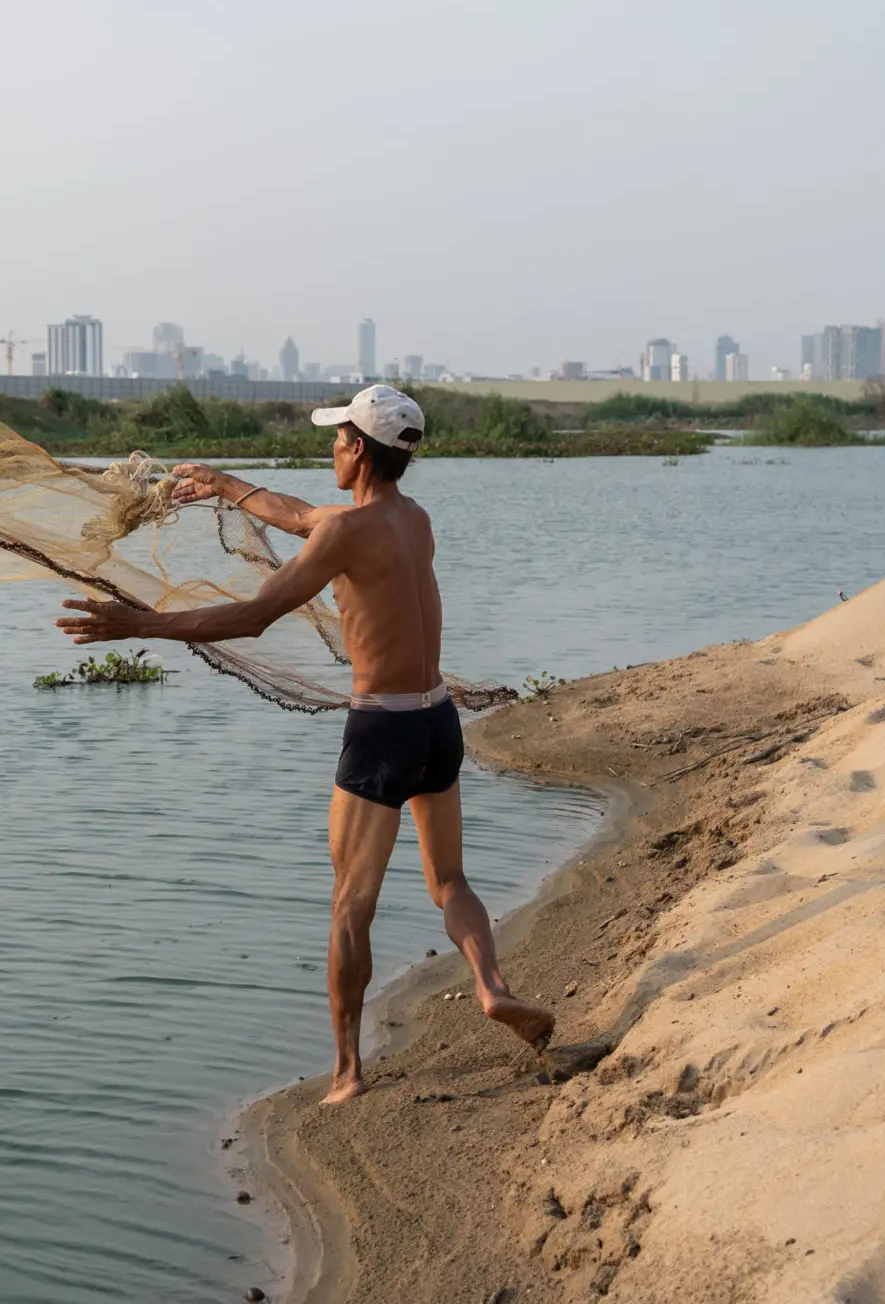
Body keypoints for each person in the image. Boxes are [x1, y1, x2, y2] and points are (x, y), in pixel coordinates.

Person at [56, 384, 554, 1102]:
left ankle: (349, 1071)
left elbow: (257, 614)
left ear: (356, 448)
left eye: (337, 437)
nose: (331, 446)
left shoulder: (348, 533)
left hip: (381, 729)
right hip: (437, 720)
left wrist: (138, 625)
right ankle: (493, 986)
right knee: (450, 881)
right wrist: (225, 485)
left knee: (351, 903)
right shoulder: (415, 521)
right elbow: (305, 518)